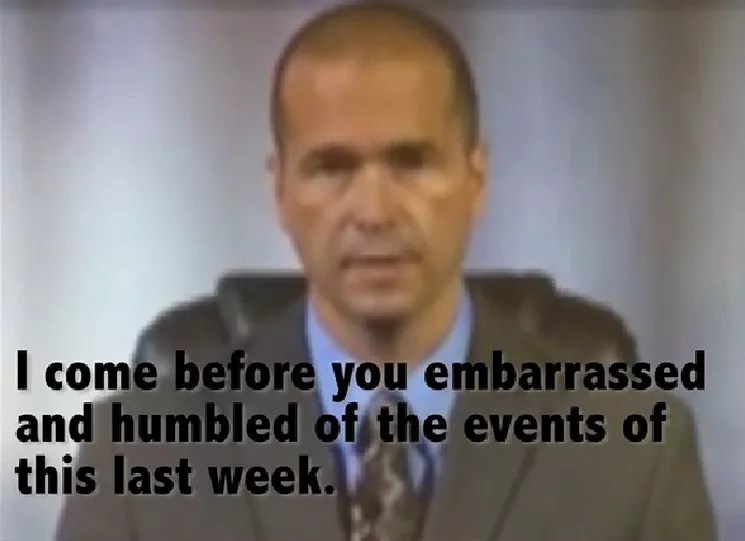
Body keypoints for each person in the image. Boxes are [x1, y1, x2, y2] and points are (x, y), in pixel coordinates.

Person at [55, 2, 717, 540]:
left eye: (412, 162)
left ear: (476, 178)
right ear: (280, 191)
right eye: (331, 168)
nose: (373, 211)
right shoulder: (135, 454)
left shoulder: (636, 454)